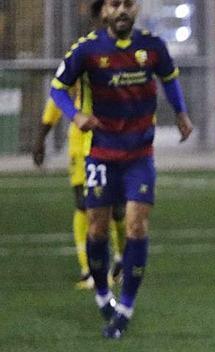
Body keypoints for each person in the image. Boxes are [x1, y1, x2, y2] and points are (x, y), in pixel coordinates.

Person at [49, 0, 193, 339]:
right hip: (100, 153)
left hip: (139, 155)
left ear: (137, 8)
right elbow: (57, 90)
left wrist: (182, 113)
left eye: (129, 3)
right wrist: (76, 115)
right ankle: (102, 293)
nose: (123, 10)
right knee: (97, 228)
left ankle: (125, 307)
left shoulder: (152, 46)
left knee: (136, 225)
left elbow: (170, 80)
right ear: (104, 12)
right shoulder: (87, 50)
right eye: (116, 4)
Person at [33, 0, 126, 289]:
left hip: (114, 141)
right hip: (81, 145)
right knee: (84, 206)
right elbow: (58, 94)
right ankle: (89, 270)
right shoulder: (81, 54)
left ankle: (121, 257)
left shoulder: (128, 54)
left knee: (117, 209)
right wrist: (41, 137)